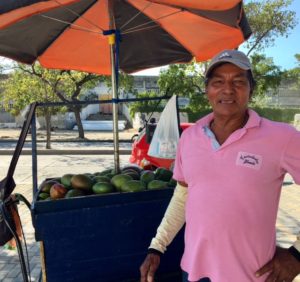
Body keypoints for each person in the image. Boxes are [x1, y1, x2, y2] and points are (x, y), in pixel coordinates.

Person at [140, 49, 300, 282]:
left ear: (250, 89)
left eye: (238, 81)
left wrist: (296, 254)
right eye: (218, 82)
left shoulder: (282, 137)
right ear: (207, 90)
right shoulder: (190, 138)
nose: (227, 89)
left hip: (252, 275)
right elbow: (183, 195)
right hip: (194, 271)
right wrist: (157, 246)